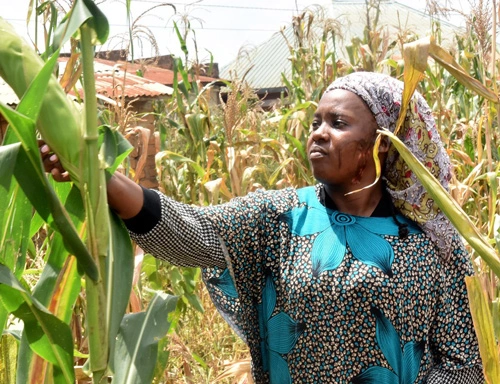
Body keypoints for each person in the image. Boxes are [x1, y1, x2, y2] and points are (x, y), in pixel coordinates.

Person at [41, 71, 484, 383]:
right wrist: (98, 174)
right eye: (316, 122)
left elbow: (463, 365)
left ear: (384, 145)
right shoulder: (279, 217)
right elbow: (192, 231)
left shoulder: (431, 243)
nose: (318, 133)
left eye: (339, 123)